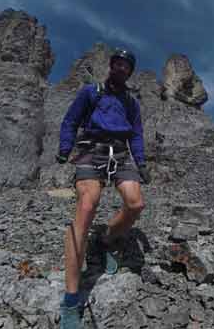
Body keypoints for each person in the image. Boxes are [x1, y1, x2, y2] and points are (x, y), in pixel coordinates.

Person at [56, 49, 150, 328]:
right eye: (117, 64)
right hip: (91, 150)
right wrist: (64, 148)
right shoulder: (90, 92)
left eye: (126, 67)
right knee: (88, 204)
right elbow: (71, 120)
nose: (121, 69)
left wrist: (141, 162)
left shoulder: (131, 103)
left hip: (120, 154)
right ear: (110, 66)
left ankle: (105, 241)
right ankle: (71, 299)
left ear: (130, 72)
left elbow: (136, 134)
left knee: (136, 204)